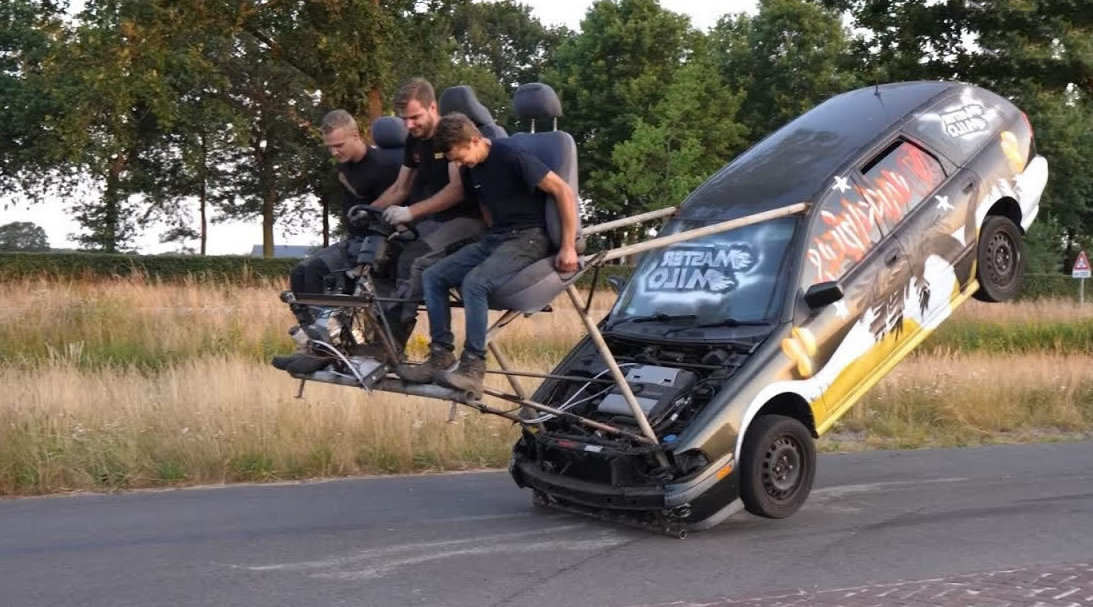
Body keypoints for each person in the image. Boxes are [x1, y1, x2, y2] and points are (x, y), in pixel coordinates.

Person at [395, 113, 579, 398]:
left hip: (528, 237)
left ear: (475, 140)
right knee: (433, 275)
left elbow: (563, 191)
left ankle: (473, 367)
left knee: (475, 283)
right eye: (453, 160)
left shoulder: (511, 155)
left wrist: (567, 246)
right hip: (496, 238)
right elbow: (484, 206)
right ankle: (440, 356)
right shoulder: (471, 169)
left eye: (460, 156)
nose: (459, 164)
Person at [272, 109, 400, 371]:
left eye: (339, 145)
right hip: (354, 240)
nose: (334, 152)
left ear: (355, 136)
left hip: (382, 241)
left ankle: (330, 345)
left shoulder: (385, 164)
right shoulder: (345, 167)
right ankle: (317, 344)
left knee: (333, 277)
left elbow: (401, 199)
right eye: (329, 147)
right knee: (303, 272)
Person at [371, 78, 486, 353]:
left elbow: (457, 191)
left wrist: (410, 212)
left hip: (467, 221)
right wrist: (370, 213)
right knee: (385, 253)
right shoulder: (414, 141)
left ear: (432, 107)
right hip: (433, 222)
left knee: (414, 258)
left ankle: (391, 346)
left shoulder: (449, 136)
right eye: (404, 119)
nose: (409, 125)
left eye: (415, 117)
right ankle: (374, 333)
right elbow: (401, 187)